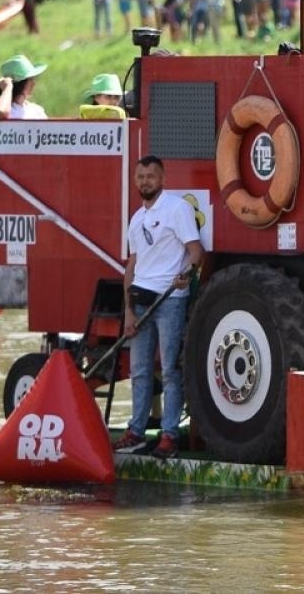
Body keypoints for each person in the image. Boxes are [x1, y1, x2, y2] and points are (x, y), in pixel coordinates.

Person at [113, 155, 205, 458]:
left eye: (151, 176)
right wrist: (128, 311)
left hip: (170, 301)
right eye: (140, 177)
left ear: (163, 179)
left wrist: (186, 275)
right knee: (139, 371)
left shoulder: (177, 209)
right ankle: (136, 433)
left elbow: (196, 252)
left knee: (169, 370)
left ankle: (169, 435)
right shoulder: (136, 219)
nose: (145, 181)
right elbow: (132, 266)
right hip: (140, 300)